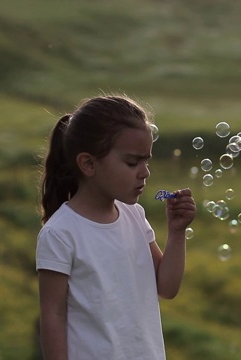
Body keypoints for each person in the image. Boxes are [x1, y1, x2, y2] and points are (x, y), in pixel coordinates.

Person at [36, 94, 196, 360]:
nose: (144, 172)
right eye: (132, 163)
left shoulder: (134, 215)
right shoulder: (61, 233)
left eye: (146, 161)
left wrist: (177, 233)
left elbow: (167, 288)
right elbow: (53, 316)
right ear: (88, 164)